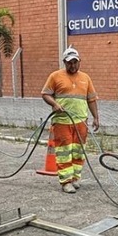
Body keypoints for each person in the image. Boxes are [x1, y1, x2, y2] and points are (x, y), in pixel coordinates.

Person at [40, 47, 101, 193]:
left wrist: (96, 117)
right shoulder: (55, 76)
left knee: (78, 151)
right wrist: (54, 104)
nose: (72, 65)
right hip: (62, 121)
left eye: (75, 62)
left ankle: (75, 177)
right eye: (69, 63)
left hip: (81, 121)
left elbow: (91, 99)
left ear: (79, 62)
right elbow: (45, 94)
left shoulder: (86, 78)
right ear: (64, 63)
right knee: (64, 151)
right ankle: (66, 181)